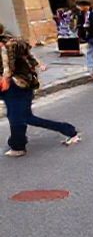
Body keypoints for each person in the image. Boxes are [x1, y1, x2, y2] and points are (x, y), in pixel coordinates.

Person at [1, 24, 80, 156]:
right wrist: (38, 65)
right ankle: (18, 144)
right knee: (19, 116)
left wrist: (5, 79)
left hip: (15, 86)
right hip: (22, 84)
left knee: (21, 117)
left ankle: (68, 130)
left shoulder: (4, 46)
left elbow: (7, 68)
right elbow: (29, 58)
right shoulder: (13, 41)